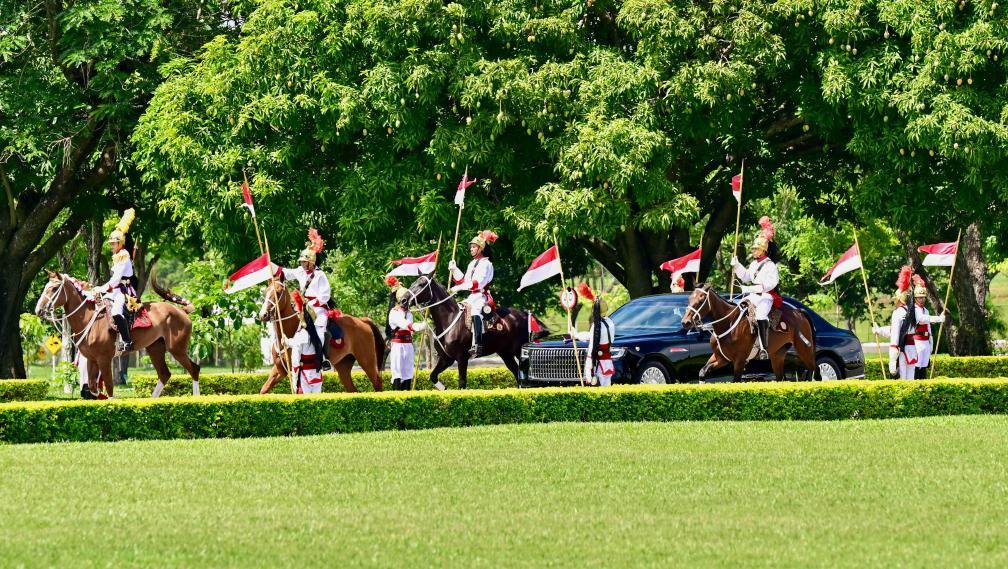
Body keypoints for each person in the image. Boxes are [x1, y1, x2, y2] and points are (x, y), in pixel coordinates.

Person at [277, 228, 334, 370]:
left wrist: (312, 303)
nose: (302, 264)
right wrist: (271, 266)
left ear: (312, 262)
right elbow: (285, 272)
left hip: (318, 309)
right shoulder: (300, 272)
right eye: (301, 262)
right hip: (302, 307)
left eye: (305, 262)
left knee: (319, 332)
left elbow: (325, 295)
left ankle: (322, 359)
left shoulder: (320, 275)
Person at [731, 216, 781, 359]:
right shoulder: (754, 264)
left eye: (755, 249)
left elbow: (770, 284)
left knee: (760, 315)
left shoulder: (770, 265)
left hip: (766, 297)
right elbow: (746, 277)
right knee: (737, 307)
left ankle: (764, 348)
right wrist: (737, 265)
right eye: (753, 248)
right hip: (753, 296)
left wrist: (749, 289)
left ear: (763, 250)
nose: (753, 251)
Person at [448, 229, 497, 356]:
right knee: (456, 310)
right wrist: (454, 269)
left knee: (475, 312)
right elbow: (464, 281)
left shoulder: (486, 264)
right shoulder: (472, 263)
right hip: (471, 296)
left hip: (481, 296)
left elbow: (476, 283)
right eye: (471, 247)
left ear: (480, 248)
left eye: (474, 247)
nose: (471, 249)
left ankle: (478, 344)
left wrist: (457, 288)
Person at [101, 208, 137, 351]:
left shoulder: (123, 256)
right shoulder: (118, 256)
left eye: (113, 243)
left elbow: (115, 280)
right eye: (110, 243)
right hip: (116, 291)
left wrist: (101, 288)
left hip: (124, 291)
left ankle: (127, 341)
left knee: (116, 312)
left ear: (120, 243)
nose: (111, 246)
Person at [874, 266, 918, 379]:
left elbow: (895, 336)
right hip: (913, 350)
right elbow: (894, 330)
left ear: (899, 299)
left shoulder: (898, 313)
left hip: (902, 351)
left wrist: (892, 359)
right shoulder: (914, 311)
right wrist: (879, 330)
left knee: (902, 380)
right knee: (911, 379)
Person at [569, 283, 616, 386]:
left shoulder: (597, 326)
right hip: (608, 361)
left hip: (599, 362)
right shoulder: (610, 323)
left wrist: (575, 334)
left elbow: (591, 343)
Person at [387, 287, 427, 390]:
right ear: (400, 299)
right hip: (398, 345)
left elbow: (411, 331)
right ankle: (396, 395)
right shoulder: (394, 312)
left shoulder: (409, 313)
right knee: (397, 372)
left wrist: (421, 326)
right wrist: (417, 326)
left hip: (408, 344)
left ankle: (407, 395)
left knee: (408, 371)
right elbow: (404, 324)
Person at [910, 274, 945, 378]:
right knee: (917, 366)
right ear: (915, 298)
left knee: (924, 365)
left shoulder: (925, 310)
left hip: (925, 340)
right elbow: (923, 319)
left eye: (923, 298)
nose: (921, 300)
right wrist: (938, 319)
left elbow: (928, 326)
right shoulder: (915, 310)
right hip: (917, 341)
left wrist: (931, 342)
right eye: (919, 298)